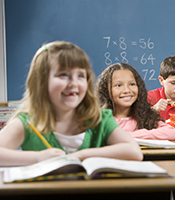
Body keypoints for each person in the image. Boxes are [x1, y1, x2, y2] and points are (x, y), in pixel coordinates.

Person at [0, 41, 143, 167]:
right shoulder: (27, 122)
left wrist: (80, 156)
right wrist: (37, 157)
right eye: (63, 75)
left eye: (80, 75)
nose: (74, 83)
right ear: (41, 82)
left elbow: (134, 152)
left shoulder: (99, 119)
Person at [96, 63, 175, 140]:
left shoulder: (144, 117)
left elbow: (171, 132)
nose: (127, 90)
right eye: (118, 85)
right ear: (106, 90)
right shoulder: (99, 119)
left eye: (132, 84)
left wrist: (128, 136)